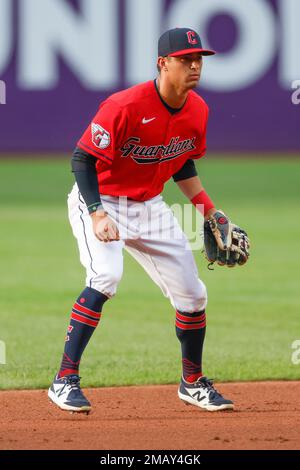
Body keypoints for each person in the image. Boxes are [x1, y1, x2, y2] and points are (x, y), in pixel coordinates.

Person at [48, 27, 242, 414]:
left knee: (193, 295)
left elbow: (181, 160)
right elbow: (82, 159)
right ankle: (64, 379)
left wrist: (210, 210)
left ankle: (192, 382)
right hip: (101, 200)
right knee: (105, 277)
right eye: (185, 59)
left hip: (150, 206)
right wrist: (97, 213)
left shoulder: (198, 110)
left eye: (198, 58)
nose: (194, 65)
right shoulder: (124, 106)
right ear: (162, 63)